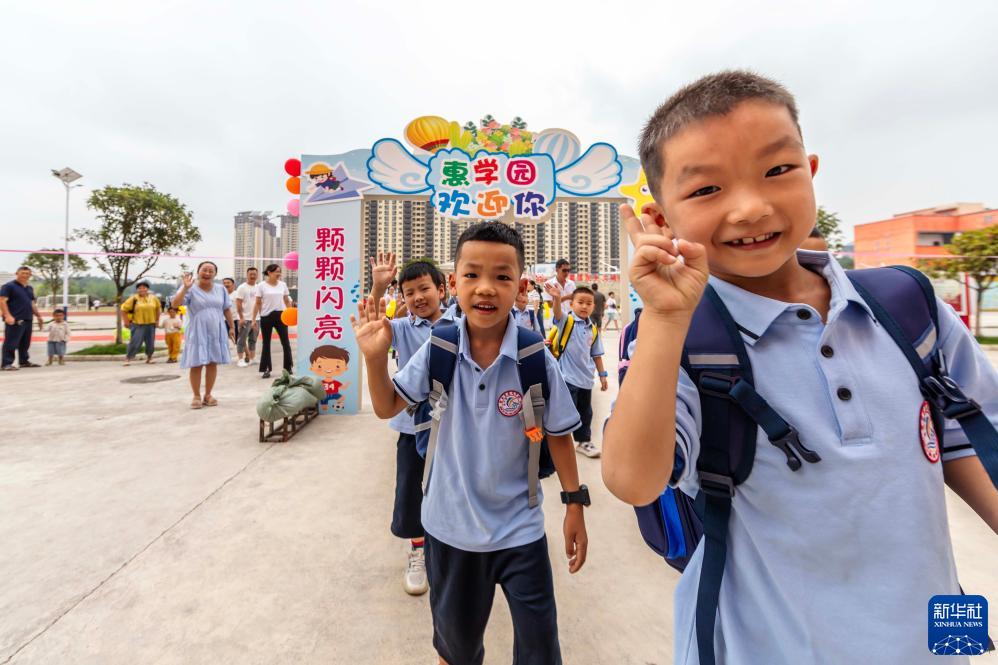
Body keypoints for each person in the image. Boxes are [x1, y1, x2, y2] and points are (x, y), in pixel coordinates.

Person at [602, 70, 998, 665]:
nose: (750, 207)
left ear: (810, 171)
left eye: (777, 170)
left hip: (934, 642)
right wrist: (663, 317)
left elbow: (970, 442)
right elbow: (634, 481)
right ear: (662, 218)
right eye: (707, 189)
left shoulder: (906, 303)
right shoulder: (677, 337)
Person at [351, 222, 588, 665]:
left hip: (520, 528)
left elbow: (558, 432)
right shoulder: (439, 346)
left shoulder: (534, 355)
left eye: (502, 276)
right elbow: (387, 406)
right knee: (456, 651)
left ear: (520, 286)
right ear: (454, 282)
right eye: (472, 274)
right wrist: (375, 359)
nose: (486, 288)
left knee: (541, 650)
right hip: (449, 528)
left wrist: (574, 502)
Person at [368, 252, 457, 596]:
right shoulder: (403, 328)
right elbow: (372, 324)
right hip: (412, 428)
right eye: (409, 293)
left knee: (452, 489)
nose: (418, 297)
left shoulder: (460, 324)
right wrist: (378, 288)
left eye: (424, 289)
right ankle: (418, 552)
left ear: (441, 290)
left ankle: (451, 548)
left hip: (455, 429)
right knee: (410, 492)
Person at [548, 284, 608, 458]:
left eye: (589, 303)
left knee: (585, 412)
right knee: (566, 413)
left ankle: (584, 442)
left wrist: (602, 376)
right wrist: (557, 299)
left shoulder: (593, 329)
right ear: (572, 304)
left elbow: (596, 355)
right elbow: (557, 314)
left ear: (594, 306)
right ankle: (560, 443)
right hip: (567, 378)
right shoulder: (567, 322)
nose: (584, 306)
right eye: (580, 302)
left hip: (586, 380)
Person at [173, 261, 235, 409]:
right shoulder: (189, 287)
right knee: (197, 363)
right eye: (204, 270)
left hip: (216, 329)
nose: (207, 273)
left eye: (211, 271)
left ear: (215, 274)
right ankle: (196, 395)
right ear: (198, 271)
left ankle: (208, 395)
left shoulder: (221, 289)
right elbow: (175, 304)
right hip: (197, 330)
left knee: (212, 362)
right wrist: (185, 288)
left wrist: (232, 327)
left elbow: (226, 309)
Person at [253, 263, 293, 379]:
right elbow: (258, 303)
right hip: (266, 316)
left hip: (281, 316)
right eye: (276, 271)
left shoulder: (283, 285)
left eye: (280, 271)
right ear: (269, 273)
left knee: (286, 342)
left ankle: (288, 368)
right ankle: (266, 369)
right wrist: (255, 318)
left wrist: (290, 314)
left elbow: (286, 300)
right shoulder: (261, 286)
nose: (279, 273)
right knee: (266, 343)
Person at [1, 266, 44, 370]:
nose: (25, 275)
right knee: (11, 342)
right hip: (15, 319)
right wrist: (7, 316)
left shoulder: (29, 288)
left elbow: (32, 303)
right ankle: (6, 363)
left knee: (25, 342)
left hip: (28, 318)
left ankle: (24, 361)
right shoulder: (9, 286)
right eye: (23, 273)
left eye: (27, 273)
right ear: (17, 273)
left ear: (30, 275)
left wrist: (38, 316)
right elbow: (2, 301)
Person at [121, 281, 162, 366]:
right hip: (137, 324)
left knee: (150, 342)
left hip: (150, 324)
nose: (142, 289)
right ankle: (128, 358)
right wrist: (126, 321)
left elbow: (158, 309)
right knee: (135, 342)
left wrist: (157, 320)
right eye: (139, 288)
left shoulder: (153, 298)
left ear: (147, 289)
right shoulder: (133, 298)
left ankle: (149, 357)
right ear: (137, 290)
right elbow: (123, 309)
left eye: (144, 288)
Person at [234, 267, 260, 368]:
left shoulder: (258, 287)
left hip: (256, 319)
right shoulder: (242, 287)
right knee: (241, 339)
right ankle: (240, 359)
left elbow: (259, 303)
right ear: (247, 275)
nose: (252, 276)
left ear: (257, 275)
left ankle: (252, 358)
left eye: (254, 274)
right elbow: (238, 303)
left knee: (253, 339)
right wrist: (241, 318)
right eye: (250, 274)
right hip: (244, 318)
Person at [222, 277, 237, 342]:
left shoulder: (237, 294)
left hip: (235, 320)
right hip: (223, 320)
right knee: (225, 340)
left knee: (237, 339)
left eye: (228, 283)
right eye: (224, 283)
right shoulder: (220, 295)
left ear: (233, 284)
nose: (226, 284)